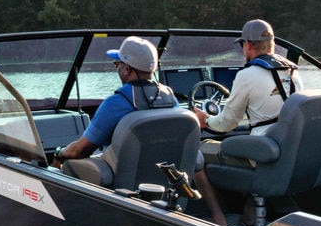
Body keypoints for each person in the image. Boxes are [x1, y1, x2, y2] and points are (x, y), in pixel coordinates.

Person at [50, 36, 174, 164]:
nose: (116, 68)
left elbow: (78, 151)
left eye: (117, 63)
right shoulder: (170, 98)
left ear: (127, 69)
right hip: (164, 175)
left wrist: (59, 153)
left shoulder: (116, 103)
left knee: (69, 164)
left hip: (124, 177)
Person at [194, 19, 303, 151]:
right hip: (290, 146)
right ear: (272, 43)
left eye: (242, 45)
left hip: (261, 150)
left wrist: (205, 120)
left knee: (201, 149)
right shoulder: (293, 72)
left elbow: (226, 124)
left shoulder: (246, 75)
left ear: (248, 45)